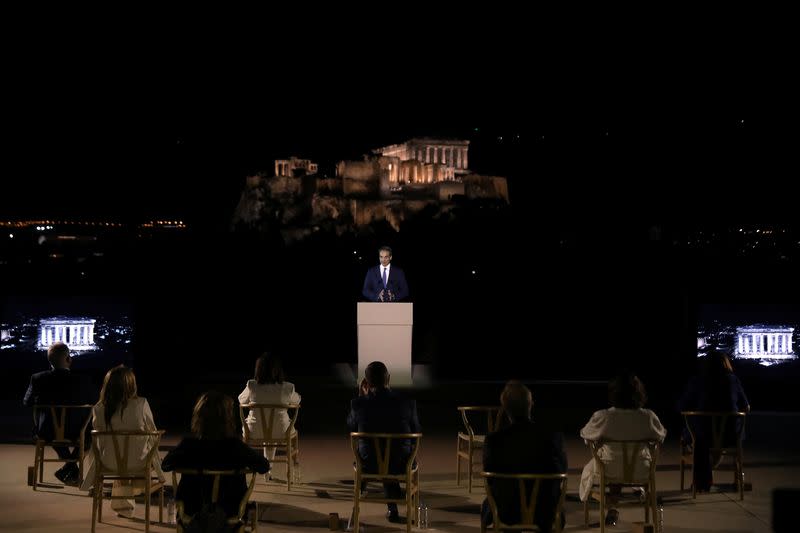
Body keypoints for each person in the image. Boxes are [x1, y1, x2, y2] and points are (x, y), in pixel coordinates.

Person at [162, 391, 270, 520]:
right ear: (228, 419)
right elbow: (264, 466)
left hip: (193, 511)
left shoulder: (189, 446)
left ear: (198, 418)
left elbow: (166, 465)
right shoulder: (235, 446)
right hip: (230, 510)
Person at [579, 372, 666, 526]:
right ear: (639, 393)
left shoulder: (604, 416)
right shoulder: (648, 417)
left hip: (609, 469)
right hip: (641, 469)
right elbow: (661, 436)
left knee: (603, 463)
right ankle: (631, 496)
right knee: (623, 462)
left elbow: (585, 434)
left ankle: (611, 505)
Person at [481, 381, 567, 533]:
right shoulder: (552, 437)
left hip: (505, 512)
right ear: (530, 404)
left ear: (505, 408)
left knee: (491, 501)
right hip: (545, 511)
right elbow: (560, 472)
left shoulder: (494, 441)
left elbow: (490, 478)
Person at [80, 365, 165, 518]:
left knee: (119, 459)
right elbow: (153, 432)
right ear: (132, 385)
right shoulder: (141, 404)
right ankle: (135, 492)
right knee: (146, 453)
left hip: (107, 463)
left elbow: (99, 439)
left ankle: (125, 504)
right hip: (139, 462)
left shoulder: (99, 408)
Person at [347, 361, 421, 523]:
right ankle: (396, 507)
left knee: (381, 454)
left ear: (366, 382)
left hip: (369, 464)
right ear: (389, 378)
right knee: (392, 454)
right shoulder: (407, 403)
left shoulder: (358, 404)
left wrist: (361, 397)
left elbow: (351, 427)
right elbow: (417, 432)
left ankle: (364, 496)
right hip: (402, 464)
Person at [23, 341, 94, 485]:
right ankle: (70, 468)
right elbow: (95, 403)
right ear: (69, 359)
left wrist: (42, 400)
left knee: (53, 431)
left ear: (49, 361)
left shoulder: (37, 379)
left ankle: (69, 468)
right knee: (90, 437)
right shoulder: (83, 380)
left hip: (47, 431)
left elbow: (27, 402)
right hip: (78, 431)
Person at [678, 349, 750, 492]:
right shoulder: (733, 380)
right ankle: (730, 479)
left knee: (694, 437)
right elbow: (746, 406)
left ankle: (701, 482)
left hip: (702, 437)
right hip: (731, 437)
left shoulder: (697, 380)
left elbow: (682, 406)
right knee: (706, 437)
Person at [238, 353, 301, 461]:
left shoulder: (252, 385)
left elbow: (241, 400)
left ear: (258, 369)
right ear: (278, 370)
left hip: (254, 430)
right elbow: (297, 400)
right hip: (281, 431)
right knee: (281, 426)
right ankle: (293, 462)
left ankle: (262, 466)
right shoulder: (287, 387)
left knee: (267, 425)